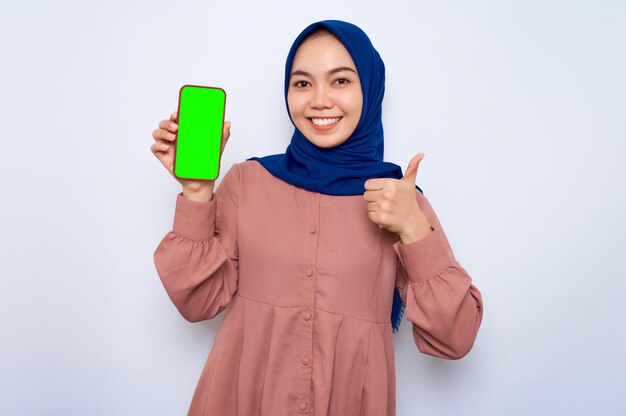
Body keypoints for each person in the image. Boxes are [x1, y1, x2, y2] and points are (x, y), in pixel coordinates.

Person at [151, 19, 483, 416]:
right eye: (303, 83)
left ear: (370, 89)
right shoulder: (248, 182)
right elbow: (198, 303)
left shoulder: (399, 200)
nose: (319, 100)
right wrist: (195, 191)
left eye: (340, 81)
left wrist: (413, 229)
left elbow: (455, 338)